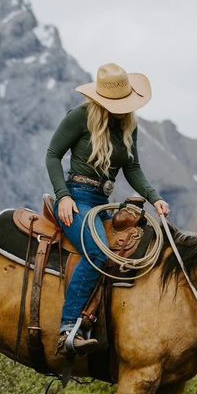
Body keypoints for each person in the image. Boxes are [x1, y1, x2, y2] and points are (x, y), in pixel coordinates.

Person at [46, 63, 170, 357]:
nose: (121, 108)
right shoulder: (79, 117)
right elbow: (53, 155)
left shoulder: (129, 124)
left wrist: (154, 198)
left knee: (127, 255)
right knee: (97, 253)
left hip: (101, 202)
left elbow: (133, 167)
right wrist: (63, 196)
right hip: (77, 197)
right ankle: (67, 329)